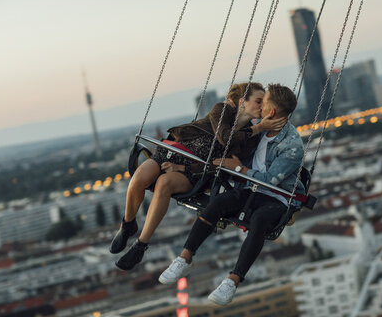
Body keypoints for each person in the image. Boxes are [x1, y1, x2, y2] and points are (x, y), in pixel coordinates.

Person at [110, 82, 287, 271]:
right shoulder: (222, 110)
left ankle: (140, 245)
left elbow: (224, 166)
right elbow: (225, 137)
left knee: (164, 183)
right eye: (259, 101)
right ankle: (128, 223)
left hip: (195, 172)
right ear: (243, 102)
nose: (262, 106)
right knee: (139, 179)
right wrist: (258, 128)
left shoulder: (250, 140)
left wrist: (180, 168)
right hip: (173, 151)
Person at [158, 84, 305, 305]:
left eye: (262, 103)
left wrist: (240, 169)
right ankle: (185, 257)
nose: (259, 107)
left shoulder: (292, 145)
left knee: (260, 220)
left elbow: (270, 181)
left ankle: (232, 280)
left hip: (278, 196)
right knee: (217, 204)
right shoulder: (258, 128)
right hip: (249, 189)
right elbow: (228, 142)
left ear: (271, 111)